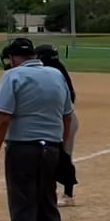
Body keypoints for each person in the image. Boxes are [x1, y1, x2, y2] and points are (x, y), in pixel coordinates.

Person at [0, 37, 75, 221]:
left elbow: (2, 118)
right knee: (47, 205)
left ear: (14, 58)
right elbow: (67, 116)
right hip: (51, 148)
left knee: (23, 208)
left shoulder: (13, 76)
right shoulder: (56, 75)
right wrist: (60, 146)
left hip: (23, 148)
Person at [34, 44, 81, 206]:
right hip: (61, 120)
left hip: (62, 121)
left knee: (62, 157)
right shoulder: (57, 72)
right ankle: (52, 193)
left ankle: (68, 195)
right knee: (57, 156)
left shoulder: (53, 74)